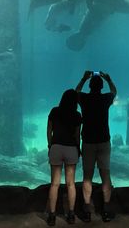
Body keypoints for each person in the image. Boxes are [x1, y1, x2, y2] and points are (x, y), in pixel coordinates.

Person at [75, 70, 117, 222]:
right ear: (101, 87)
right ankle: (106, 209)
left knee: (87, 176)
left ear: (90, 86)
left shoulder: (85, 99)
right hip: (104, 141)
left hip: (88, 142)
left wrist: (84, 78)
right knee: (106, 175)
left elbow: (76, 92)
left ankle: (87, 210)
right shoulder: (105, 98)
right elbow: (114, 91)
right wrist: (109, 79)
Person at [47, 89, 82, 226]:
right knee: (70, 183)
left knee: (54, 184)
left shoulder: (54, 111)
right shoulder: (77, 114)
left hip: (56, 147)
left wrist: (50, 145)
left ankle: (52, 216)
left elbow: (49, 130)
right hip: (71, 149)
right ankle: (71, 215)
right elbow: (77, 135)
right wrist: (77, 149)